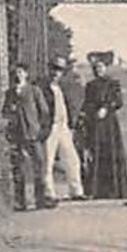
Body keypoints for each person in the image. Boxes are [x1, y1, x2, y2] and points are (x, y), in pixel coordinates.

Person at [79, 51, 127, 199]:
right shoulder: (90, 85)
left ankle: (114, 190)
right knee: (96, 153)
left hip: (109, 125)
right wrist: (85, 115)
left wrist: (106, 108)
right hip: (95, 123)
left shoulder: (113, 83)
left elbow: (119, 101)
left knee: (110, 153)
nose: (98, 70)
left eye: (100, 67)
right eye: (95, 67)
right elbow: (87, 103)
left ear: (105, 68)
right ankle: (96, 190)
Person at [2, 64, 49, 211]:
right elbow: (4, 112)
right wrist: (10, 113)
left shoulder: (34, 91)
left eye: (21, 72)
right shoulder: (10, 93)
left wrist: (41, 131)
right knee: (18, 168)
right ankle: (20, 202)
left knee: (39, 166)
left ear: (26, 74)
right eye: (16, 73)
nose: (18, 75)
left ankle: (40, 200)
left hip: (33, 134)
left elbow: (44, 112)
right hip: (17, 134)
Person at [41, 55, 86, 202]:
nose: (56, 72)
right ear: (49, 68)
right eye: (54, 68)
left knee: (72, 159)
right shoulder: (42, 87)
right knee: (47, 160)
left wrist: (71, 123)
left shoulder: (62, 87)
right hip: (50, 127)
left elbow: (68, 106)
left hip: (63, 126)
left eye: (59, 69)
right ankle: (49, 193)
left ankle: (76, 191)